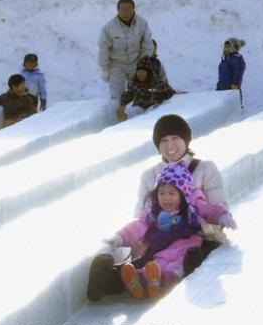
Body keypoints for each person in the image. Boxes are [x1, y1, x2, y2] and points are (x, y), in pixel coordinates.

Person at [86, 115, 230, 301]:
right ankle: (107, 279)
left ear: (185, 140)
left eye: (175, 138)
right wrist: (140, 242)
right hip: (159, 238)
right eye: (164, 140)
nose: (170, 145)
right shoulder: (150, 175)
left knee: (190, 257)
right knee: (145, 262)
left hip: (198, 238)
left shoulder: (205, 169)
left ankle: (173, 277)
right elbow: (142, 216)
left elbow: (218, 208)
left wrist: (197, 225)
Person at [107, 165, 234, 300]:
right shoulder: (153, 212)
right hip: (160, 251)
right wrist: (120, 237)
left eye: (171, 193)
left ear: (183, 193)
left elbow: (209, 210)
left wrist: (222, 217)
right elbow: (138, 225)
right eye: (162, 193)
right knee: (153, 266)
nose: (166, 198)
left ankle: (159, 286)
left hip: (184, 249)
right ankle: (138, 282)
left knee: (173, 270)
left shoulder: (192, 208)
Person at [98, 0, 154, 101]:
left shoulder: (142, 23)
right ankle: (119, 114)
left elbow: (147, 44)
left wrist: (142, 64)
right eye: (122, 9)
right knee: (117, 96)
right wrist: (105, 68)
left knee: (139, 91)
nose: (125, 13)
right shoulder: (109, 28)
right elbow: (103, 48)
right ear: (117, 10)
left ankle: (139, 115)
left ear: (134, 9)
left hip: (135, 62)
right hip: (116, 64)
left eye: (128, 9)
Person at [116, 55, 175, 122]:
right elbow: (128, 94)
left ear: (149, 72)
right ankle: (125, 118)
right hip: (139, 107)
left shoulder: (156, 84)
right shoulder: (135, 85)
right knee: (135, 111)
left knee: (152, 111)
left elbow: (169, 91)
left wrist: (160, 100)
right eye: (138, 71)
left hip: (152, 108)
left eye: (143, 71)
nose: (140, 74)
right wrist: (122, 104)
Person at [216, 38, 246, 104]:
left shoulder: (236, 60)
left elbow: (238, 73)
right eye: (225, 46)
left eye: (228, 46)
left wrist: (235, 84)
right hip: (221, 90)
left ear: (233, 48)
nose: (225, 48)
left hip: (231, 91)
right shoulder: (226, 60)